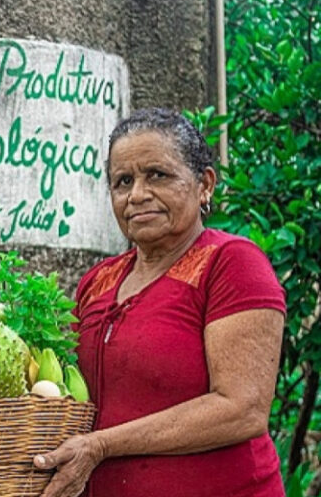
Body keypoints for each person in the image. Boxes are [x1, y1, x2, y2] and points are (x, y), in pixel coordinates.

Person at [34, 108, 286, 497]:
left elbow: (241, 409)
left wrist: (102, 445)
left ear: (204, 184)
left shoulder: (230, 264)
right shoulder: (97, 282)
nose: (137, 195)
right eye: (122, 181)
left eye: (157, 175)